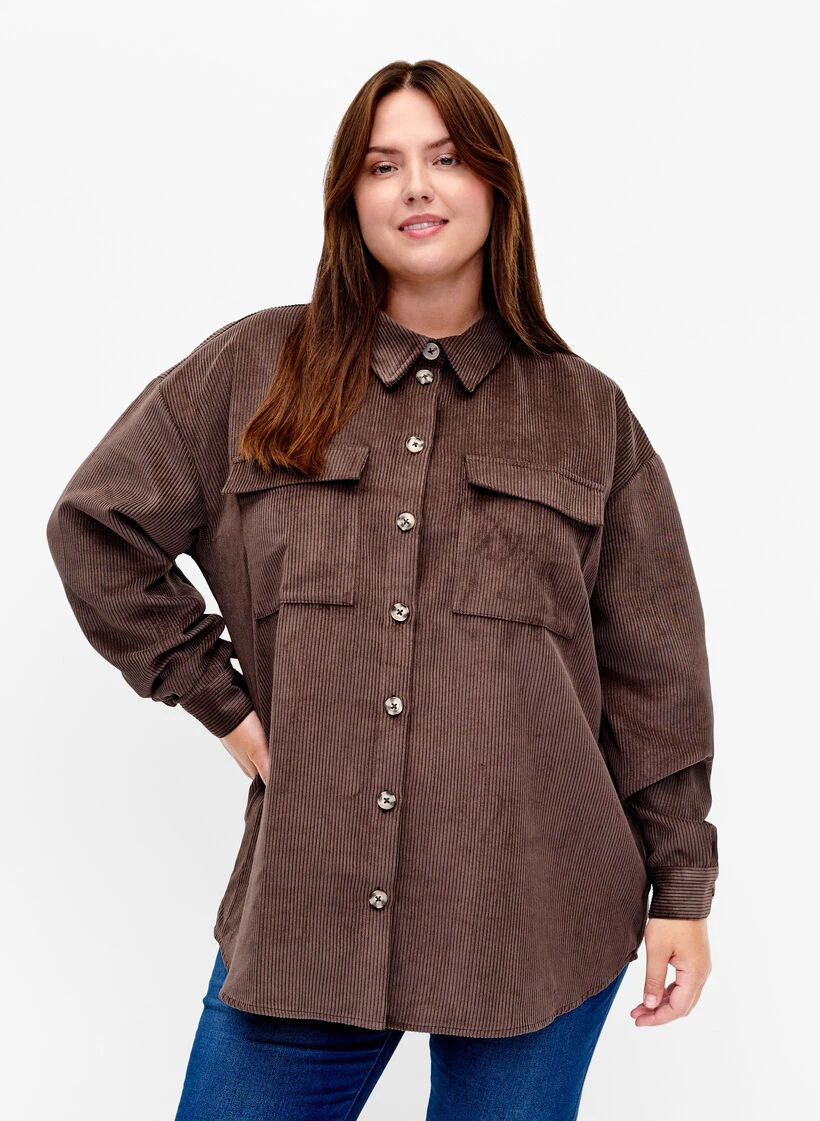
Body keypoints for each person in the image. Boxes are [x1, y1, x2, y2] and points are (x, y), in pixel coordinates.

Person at [46, 58, 719, 1121]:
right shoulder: (254, 367)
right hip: (310, 903)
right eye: (382, 164)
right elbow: (98, 529)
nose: (416, 187)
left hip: (536, 908)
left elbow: (656, 672)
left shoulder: (587, 414)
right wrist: (228, 708)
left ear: (493, 185)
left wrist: (681, 889)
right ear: (349, 198)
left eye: (445, 159)